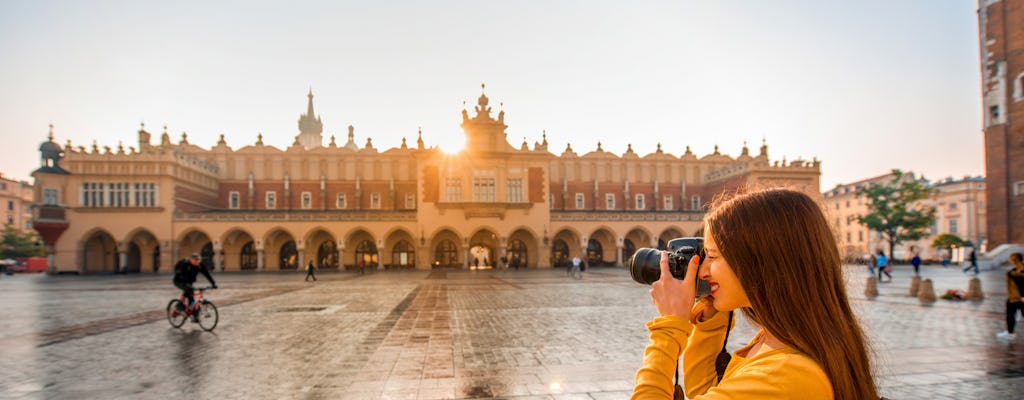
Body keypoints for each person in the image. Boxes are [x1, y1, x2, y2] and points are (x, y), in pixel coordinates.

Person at [634, 188, 879, 400]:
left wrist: (669, 328)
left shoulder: (786, 376)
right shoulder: (780, 339)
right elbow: (709, 390)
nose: (703, 270)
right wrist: (712, 319)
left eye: (713, 256)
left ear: (760, 262)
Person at [173, 253, 217, 321]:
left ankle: (192, 314)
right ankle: (179, 305)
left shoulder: (200, 265)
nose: (197, 261)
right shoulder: (185, 264)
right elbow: (184, 275)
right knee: (188, 290)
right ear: (191, 259)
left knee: (191, 297)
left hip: (189, 282)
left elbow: (207, 274)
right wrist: (187, 284)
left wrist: (213, 283)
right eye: (195, 260)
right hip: (179, 280)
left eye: (198, 260)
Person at [996, 253, 1024, 340]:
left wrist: (1023, 296)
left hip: (1018, 298)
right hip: (1013, 297)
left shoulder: (1017, 272)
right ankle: (1010, 332)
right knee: (1011, 315)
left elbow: (1022, 284)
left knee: (1011, 315)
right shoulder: (1014, 271)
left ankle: (1010, 333)